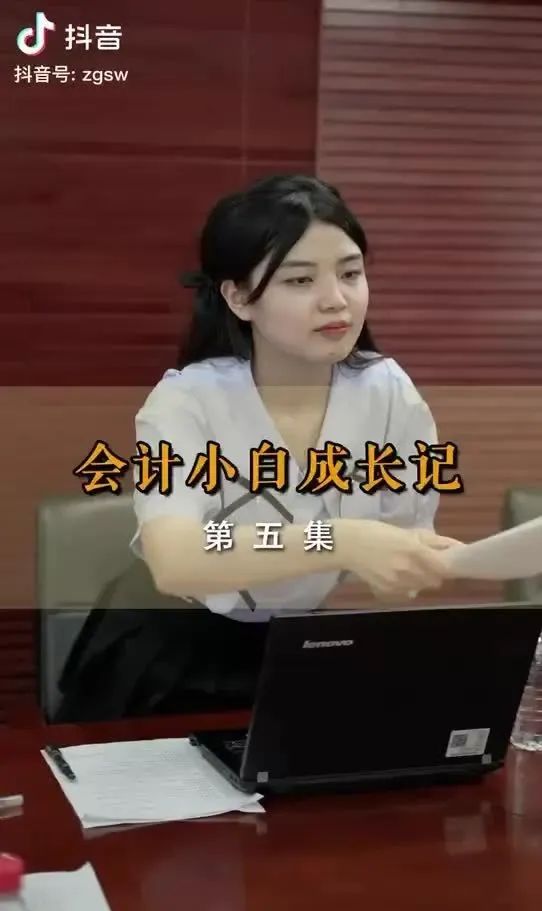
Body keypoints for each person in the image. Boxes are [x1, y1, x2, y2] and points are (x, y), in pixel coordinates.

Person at [55, 173, 459, 722]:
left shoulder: (388, 391)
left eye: (350, 273)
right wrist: (341, 541)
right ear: (239, 297)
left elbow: (404, 551)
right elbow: (175, 560)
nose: (336, 300)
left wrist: (420, 562)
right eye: (300, 280)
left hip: (293, 645)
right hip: (167, 654)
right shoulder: (187, 399)